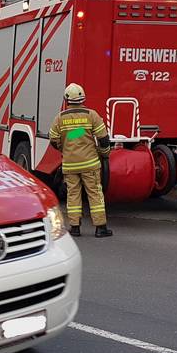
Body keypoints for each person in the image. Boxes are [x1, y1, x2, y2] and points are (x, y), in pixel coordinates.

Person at [49, 83, 113, 238]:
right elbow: (103, 139)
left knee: (73, 195)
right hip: (90, 164)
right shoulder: (91, 115)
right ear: (83, 98)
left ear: (66, 100)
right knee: (95, 194)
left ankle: (75, 228)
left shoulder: (60, 118)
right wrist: (105, 154)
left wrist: (65, 147)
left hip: (70, 165)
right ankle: (100, 228)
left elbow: (53, 140)